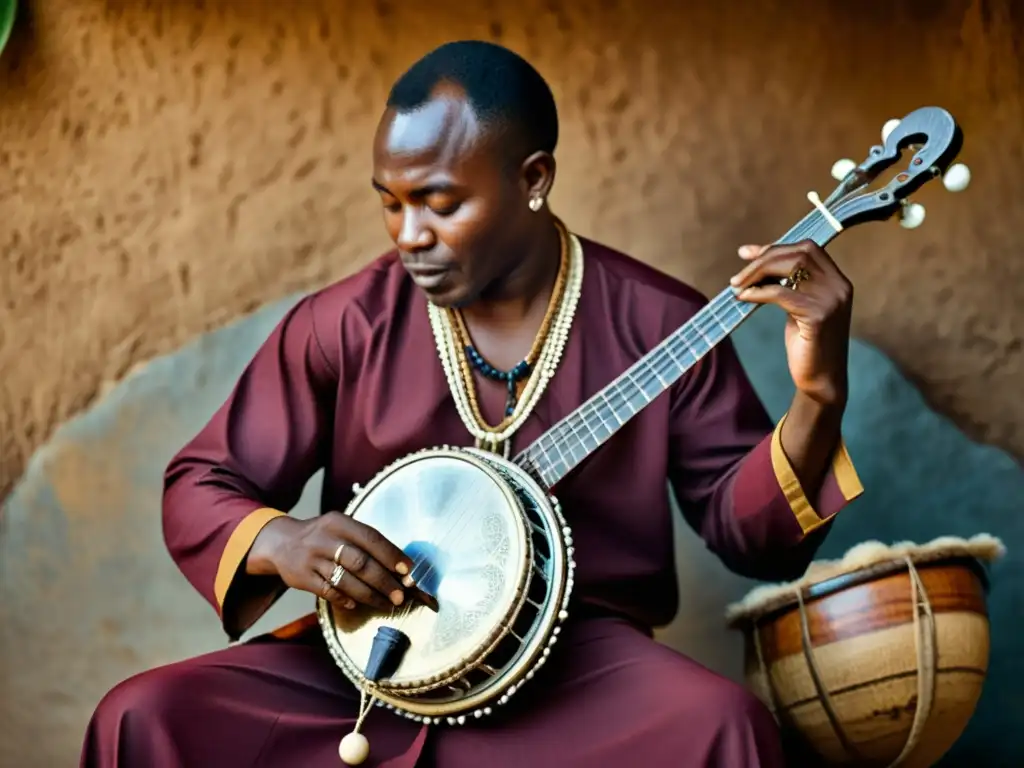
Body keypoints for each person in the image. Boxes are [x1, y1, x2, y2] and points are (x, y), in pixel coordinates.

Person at [80, 40, 863, 767]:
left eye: (440, 203)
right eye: (390, 202)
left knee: (725, 728)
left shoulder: (659, 323)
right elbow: (202, 481)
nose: (408, 234)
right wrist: (283, 541)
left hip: (575, 679)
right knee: (143, 715)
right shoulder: (348, 322)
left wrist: (819, 390)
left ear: (532, 179)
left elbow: (753, 536)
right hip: (368, 663)